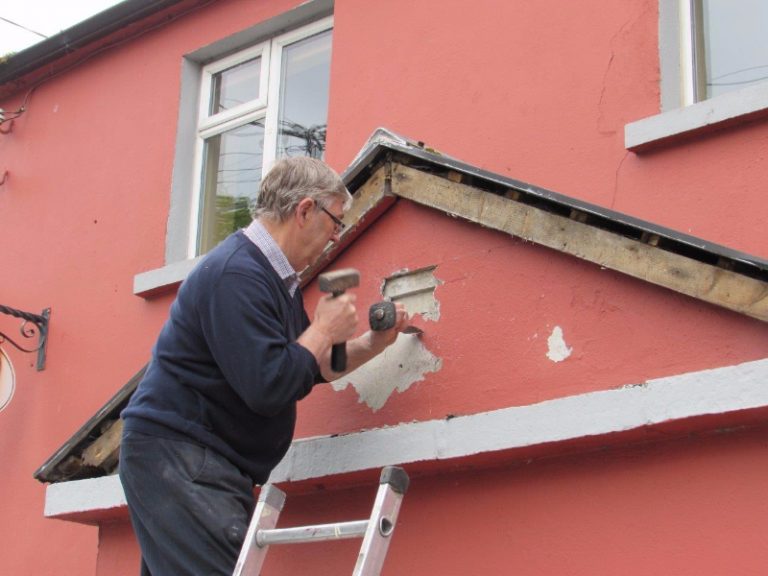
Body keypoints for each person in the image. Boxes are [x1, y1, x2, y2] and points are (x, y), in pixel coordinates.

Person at [119, 156, 409, 575]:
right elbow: (269, 386)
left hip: (193, 462)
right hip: (184, 458)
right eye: (335, 222)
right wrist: (323, 327)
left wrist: (373, 343)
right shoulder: (236, 274)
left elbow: (312, 366)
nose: (334, 238)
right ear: (305, 210)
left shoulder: (274, 279)